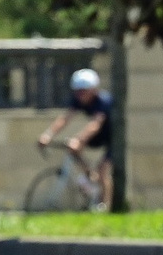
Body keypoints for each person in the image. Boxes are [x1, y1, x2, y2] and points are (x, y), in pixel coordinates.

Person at [39, 66, 113, 206]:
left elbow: (95, 124)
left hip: (113, 137)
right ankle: (91, 177)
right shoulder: (78, 100)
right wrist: (48, 134)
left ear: (93, 90)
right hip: (99, 136)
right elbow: (65, 118)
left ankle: (106, 205)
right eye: (77, 91)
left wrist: (78, 139)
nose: (80, 95)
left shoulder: (103, 101)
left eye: (83, 91)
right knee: (73, 149)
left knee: (103, 170)